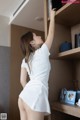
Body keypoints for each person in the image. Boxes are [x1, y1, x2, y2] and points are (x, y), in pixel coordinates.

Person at [18, 9, 56, 120]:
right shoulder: (43, 51)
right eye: (36, 36)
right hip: (35, 95)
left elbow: (22, 81)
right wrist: (52, 17)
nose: (39, 36)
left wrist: (29, 93)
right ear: (32, 43)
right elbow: (51, 34)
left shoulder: (25, 59)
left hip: (23, 97)